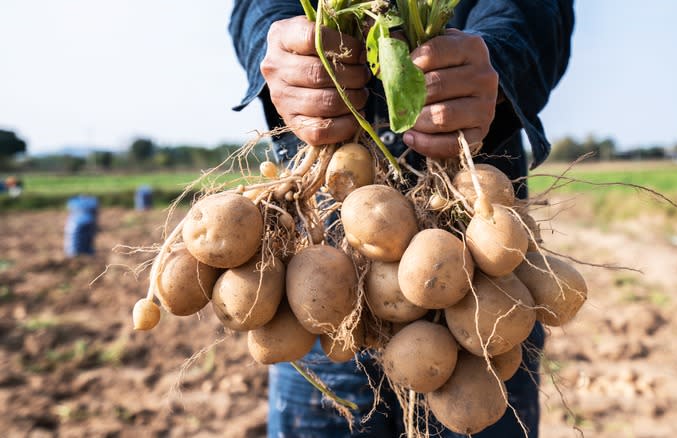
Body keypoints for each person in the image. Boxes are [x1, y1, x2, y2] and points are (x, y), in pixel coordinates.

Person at [229, 1, 574, 436]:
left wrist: (497, 58)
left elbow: (535, 11)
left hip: (472, 273)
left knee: (484, 370)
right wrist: (277, 42)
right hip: (321, 281)